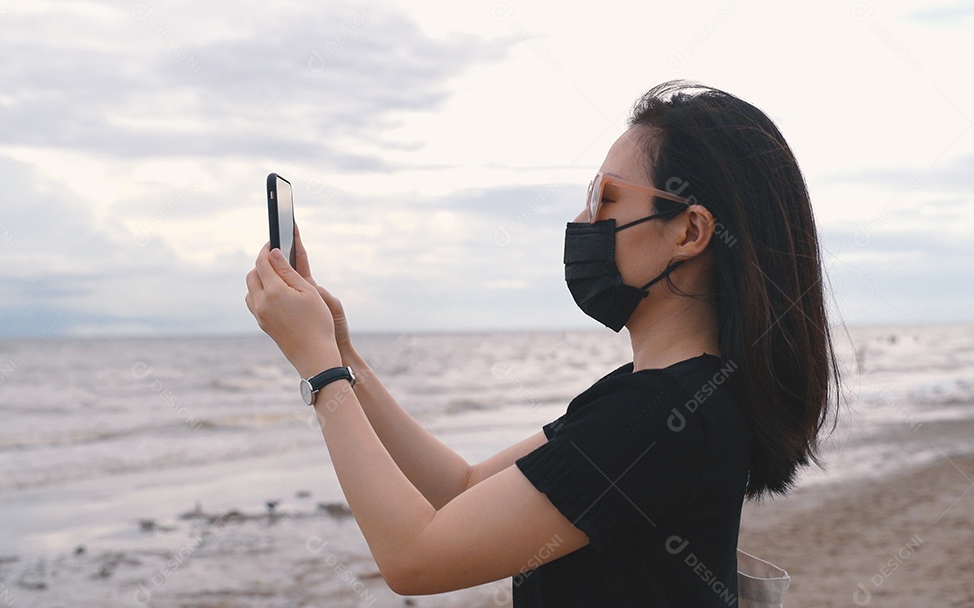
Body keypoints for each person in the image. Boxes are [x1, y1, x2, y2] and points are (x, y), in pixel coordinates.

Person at [245, 80, 842, 606]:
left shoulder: (660, 416)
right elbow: (462, 488)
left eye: (607, 199)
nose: (584, 222)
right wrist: (344, 353)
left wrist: (319, 371)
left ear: (689, 231)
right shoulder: (657, 395)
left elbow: (414, 559)